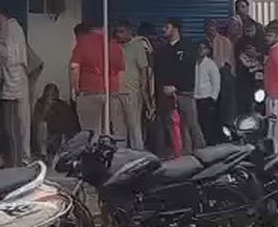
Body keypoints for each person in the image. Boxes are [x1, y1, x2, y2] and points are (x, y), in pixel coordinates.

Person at [154, 18, 203, 155]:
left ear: (175, 29)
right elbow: (160, 70)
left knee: (191, 123)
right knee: (173, 125)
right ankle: (182, 153)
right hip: (167, 95)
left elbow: (187, 68)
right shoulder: (162, 49)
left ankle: (201, 150)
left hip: (185, 92)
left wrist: (176, 86)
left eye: (167, 27)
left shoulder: (188, 46)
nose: (164, 30)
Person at [0, 7, 31, 167]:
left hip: (14, 83)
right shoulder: (7, 28)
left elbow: (11, 56)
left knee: (13, 125)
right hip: (9, 82)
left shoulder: (12, 28)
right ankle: (14, 159)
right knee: (9, 125)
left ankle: (18, 160)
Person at [69, 21, 124, 136]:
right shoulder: (116, 45)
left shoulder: (83, 43)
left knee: (90, 133)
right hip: (111, 94)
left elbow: (74, 67)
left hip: (89, 92)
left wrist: (75, 88)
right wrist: (116, 91)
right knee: (107, 132)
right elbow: (121, 72)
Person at [114, 21, 152, 151]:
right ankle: (121, 152)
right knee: (118, 126)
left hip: (132, 91)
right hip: (116, 91)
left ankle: (138, 151)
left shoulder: (137, 46)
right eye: (117, 32)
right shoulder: (115, 47)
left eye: (121, 32)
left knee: (134, 124)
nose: (118, 35)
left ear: (129, 32)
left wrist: (143, 89)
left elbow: (143, 69)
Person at [33, 84, 79, 158]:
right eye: (49, 94)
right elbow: (38, 121)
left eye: (54, 94)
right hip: (47, 136)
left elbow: (71, 125)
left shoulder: (63, 106)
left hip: (61, 136)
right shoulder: (40, 104)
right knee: (42, 126)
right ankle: (43, 154)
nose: (52, 96)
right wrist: (47, 107)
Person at [234, 20, 268, 115]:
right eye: (247, 31)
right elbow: (237, 58)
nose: (249, 34)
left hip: (260, 77)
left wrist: (257, 55)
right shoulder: (240, 43)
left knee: (260, 101)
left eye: (251, 30)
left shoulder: (263, 42)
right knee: (245, 103)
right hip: (244, 78)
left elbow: (268, 58)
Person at [194, 40, 223, 145]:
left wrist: (213, 96)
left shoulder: (210, 64)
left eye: (204, 48)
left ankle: (211, 141)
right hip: (195, 96)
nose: (201, 50)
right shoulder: (194, 63)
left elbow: (216, 82)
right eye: (199, 48)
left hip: (207, 97)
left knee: (208, 122)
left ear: (208, 50)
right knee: (198, 121)